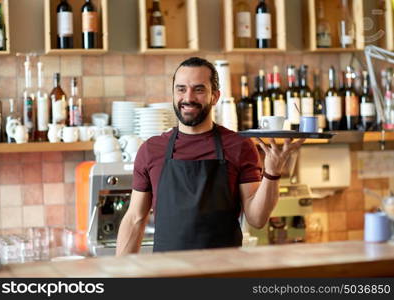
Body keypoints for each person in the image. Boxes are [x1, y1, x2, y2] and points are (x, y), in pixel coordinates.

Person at [116, 57, 304, 255]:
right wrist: (120, 273)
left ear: (215, 96)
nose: (188, 98)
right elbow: (135, 218)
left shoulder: (239, 146)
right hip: (168, 273)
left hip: (222, 273)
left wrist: (272, 174)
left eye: (198, 89)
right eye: (181, 89)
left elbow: (257, 219)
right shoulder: (151, 150)